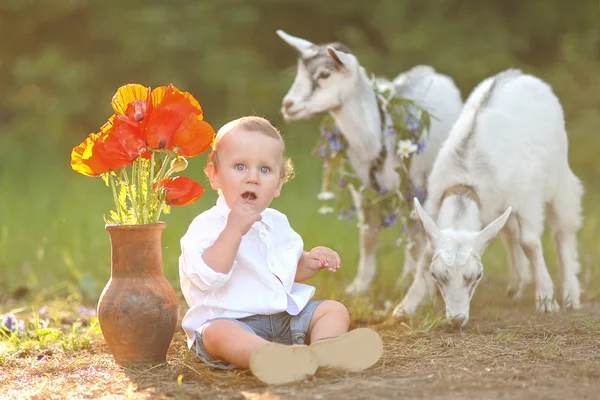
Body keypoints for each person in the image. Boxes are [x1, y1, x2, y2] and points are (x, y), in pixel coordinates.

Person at [178, 116, 383, 385]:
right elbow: (208, 276)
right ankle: (267, 357)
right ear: (215, 175)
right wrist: (233, 231)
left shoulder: (276, 222)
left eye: (265, 170)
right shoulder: (206, 226)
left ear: (279, 183)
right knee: (217, 333)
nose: (252, 178)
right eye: (240, 166)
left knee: (332, 310)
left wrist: (311, 260)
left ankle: (325, 350)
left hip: (283, 320)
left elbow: (287, 268)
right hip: (232, 321)